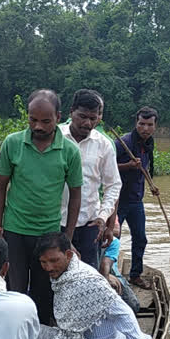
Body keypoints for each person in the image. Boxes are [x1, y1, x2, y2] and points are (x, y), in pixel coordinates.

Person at [0, 89, 83, 325]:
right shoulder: (13, 143)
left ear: (59, 117)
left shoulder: (70, 151)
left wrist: (68, 237)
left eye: (45, 121)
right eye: (33, 120)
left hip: (49, 234)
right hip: (15, 231)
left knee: (45, 293)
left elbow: (75, 195)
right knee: (15, 291)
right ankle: (14, 337)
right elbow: (0, 187)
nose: (38, 126)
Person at [34, 232, 153, 339]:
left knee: (26, 331)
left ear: (69, 255)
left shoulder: (87, 281)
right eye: (43, 262)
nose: (48, 267)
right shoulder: (67, 274)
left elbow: (124, 313)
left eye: (54, 260)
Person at [59, 89, 121, 270]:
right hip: (55, 222)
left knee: (88, 275)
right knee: (54, 275)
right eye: (82, 117)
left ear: (99, 118)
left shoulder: (104, 145)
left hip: (89, 223)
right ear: (71, 112)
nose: (87, 123)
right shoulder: (55, 138)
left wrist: (104, 218)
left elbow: (113, 185)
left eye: (94, 118)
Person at [115, 106, 159, 289]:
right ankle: (105, 274)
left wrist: (152, 185)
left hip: (136, 200)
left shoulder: (149, 143)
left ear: (155, 126)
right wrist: (128, 166)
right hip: (117, 200)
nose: (145, 128)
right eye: (142, 124)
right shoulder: (122, 142)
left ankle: (135, 275)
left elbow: (146, 168)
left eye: (149, 124)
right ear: (136, 123)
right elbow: (105, 168)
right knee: (111, 238)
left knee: (140, 238)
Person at [100, 216, 140, 314]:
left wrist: (107, 278)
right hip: (93, 274)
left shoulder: (113, 242)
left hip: (109, 272)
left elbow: (106, 263)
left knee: (133, 306)